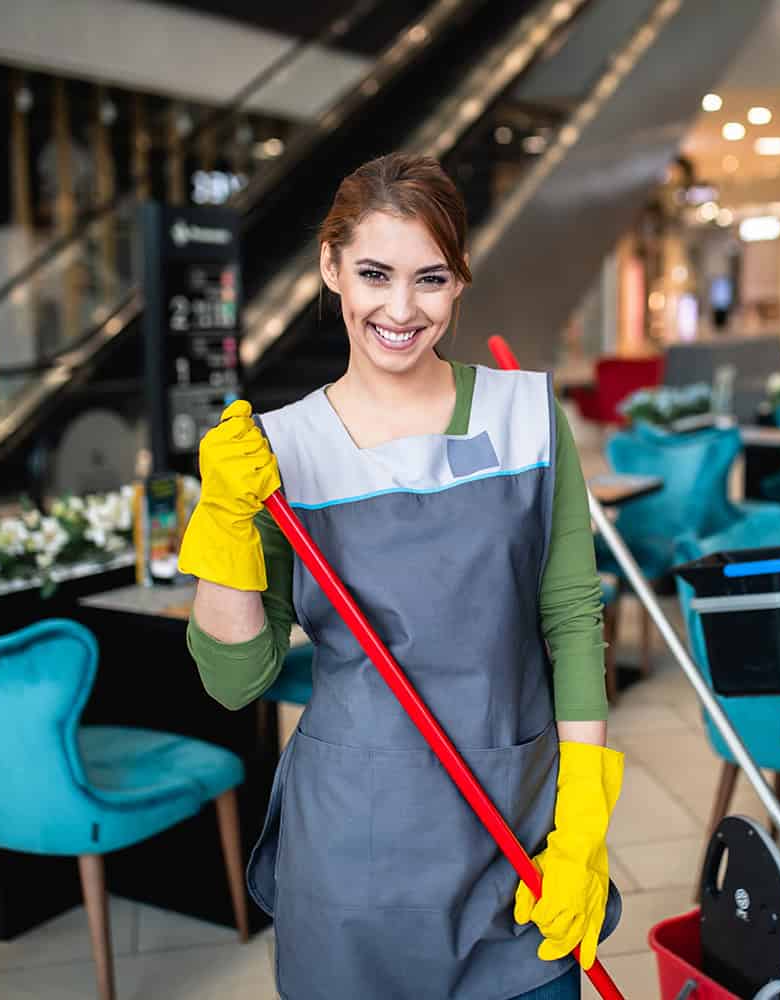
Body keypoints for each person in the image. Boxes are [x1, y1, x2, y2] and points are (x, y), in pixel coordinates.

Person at [178, 152, 622, 1000]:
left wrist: (585, 821)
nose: (400, 308)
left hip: (517, 836)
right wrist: (225, 520)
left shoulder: (527, 416)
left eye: (430, 279)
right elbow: (237, 681)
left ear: (459, 282)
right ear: (331, 268)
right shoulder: (279, 453)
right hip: (354, 850)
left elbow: (571, 617)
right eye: (374, 274)